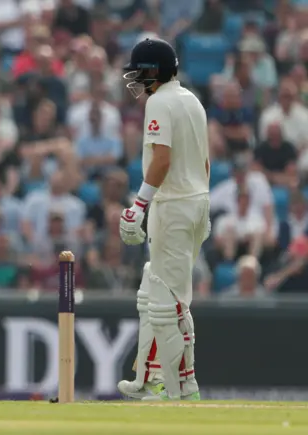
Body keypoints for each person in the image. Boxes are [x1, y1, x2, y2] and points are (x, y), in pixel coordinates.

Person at [116, 38, 210, 401]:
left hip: (172, 205)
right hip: (196, 201)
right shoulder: (192, 100)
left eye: (140, 71)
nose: (136, 79)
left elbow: (162, 159)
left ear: (154, 71)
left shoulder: (159, 101)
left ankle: (173, 385)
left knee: (165, 300)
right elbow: (203, 161)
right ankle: (155, 378)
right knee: (157, 293)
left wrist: (138, 206)